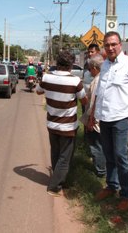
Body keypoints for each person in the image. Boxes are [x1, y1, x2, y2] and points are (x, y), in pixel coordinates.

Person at [88, 31, 128, 211]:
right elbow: (100, 92)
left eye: (113, 44)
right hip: (104, 117)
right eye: (107, 45)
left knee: (121, 156)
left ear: (120, 45)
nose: (110, 48)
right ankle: (112, 186)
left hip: (121, 117)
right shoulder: (104, 64)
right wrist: (92, 113)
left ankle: (126, 195)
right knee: (108, 154)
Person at [36, 50, 88, 197]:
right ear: (71, 65)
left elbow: (38, 91)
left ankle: (57, 176)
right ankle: (55, 186)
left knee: (55, 152)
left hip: (52, 123)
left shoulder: (47, 77)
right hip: (68, 126)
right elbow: (84, 100)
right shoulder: (75, 81)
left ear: (57, 63)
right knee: (65, 156)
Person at [80, 54, 106, 177]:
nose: (89, 72)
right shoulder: (104, 78)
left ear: (95, 67)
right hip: (102, 118)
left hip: (95, 120)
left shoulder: (97, 81)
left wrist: (91, 120)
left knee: (96, 146)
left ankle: (100, 171)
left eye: (90, 69)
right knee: (102, 145)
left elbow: (93, 104)